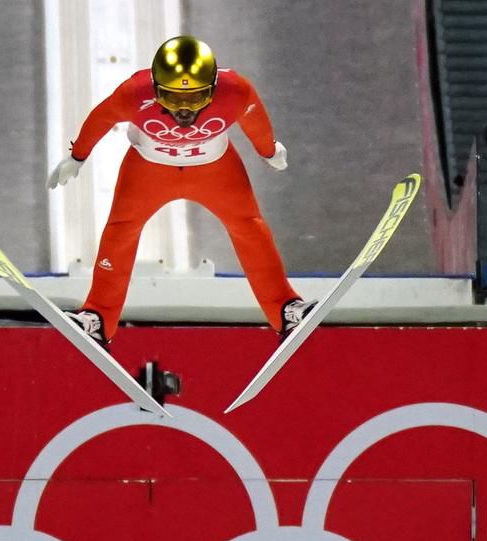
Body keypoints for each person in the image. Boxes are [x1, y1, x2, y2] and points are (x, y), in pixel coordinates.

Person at [48, 35, 313, 347]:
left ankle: (285, 307)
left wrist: (268, 150)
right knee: (121, 232)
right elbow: (101, 118)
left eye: (198, 96)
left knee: (249, 227)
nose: (185, 110)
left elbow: (255, 120)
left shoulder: (236, 90)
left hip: (214, 169)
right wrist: (77, 156)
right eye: (173, 98)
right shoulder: (134, 92)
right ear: (156, 88)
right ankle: (98, 316)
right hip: (150, 169)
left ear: (214, 87)